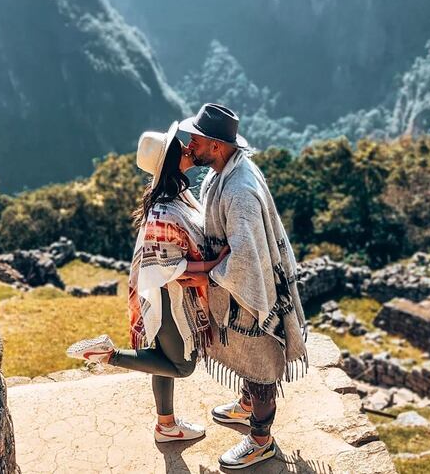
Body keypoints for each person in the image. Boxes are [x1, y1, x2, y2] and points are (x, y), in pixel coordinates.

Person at [66, 120, 230, 443]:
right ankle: (108, 354)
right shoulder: (165, 211)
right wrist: (218, 262)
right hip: (169, 298)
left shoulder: (177, 196)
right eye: (178, 147)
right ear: (170, 160)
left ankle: (166, 426)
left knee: (161, 358)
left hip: (165, 292)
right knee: (182, 367)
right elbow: (176, 270)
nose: (186, 147)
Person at [180, 103, 309, 470]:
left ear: (217, 146)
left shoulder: (240, 193)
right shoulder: (223, 172)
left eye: (197, 138)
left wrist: (203, 273)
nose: (190, 143)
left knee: (260, 364)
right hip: (239, 293)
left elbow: (246, 261)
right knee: (250, 363)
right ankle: (247, 405)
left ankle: (260, 440)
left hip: (253, 298)